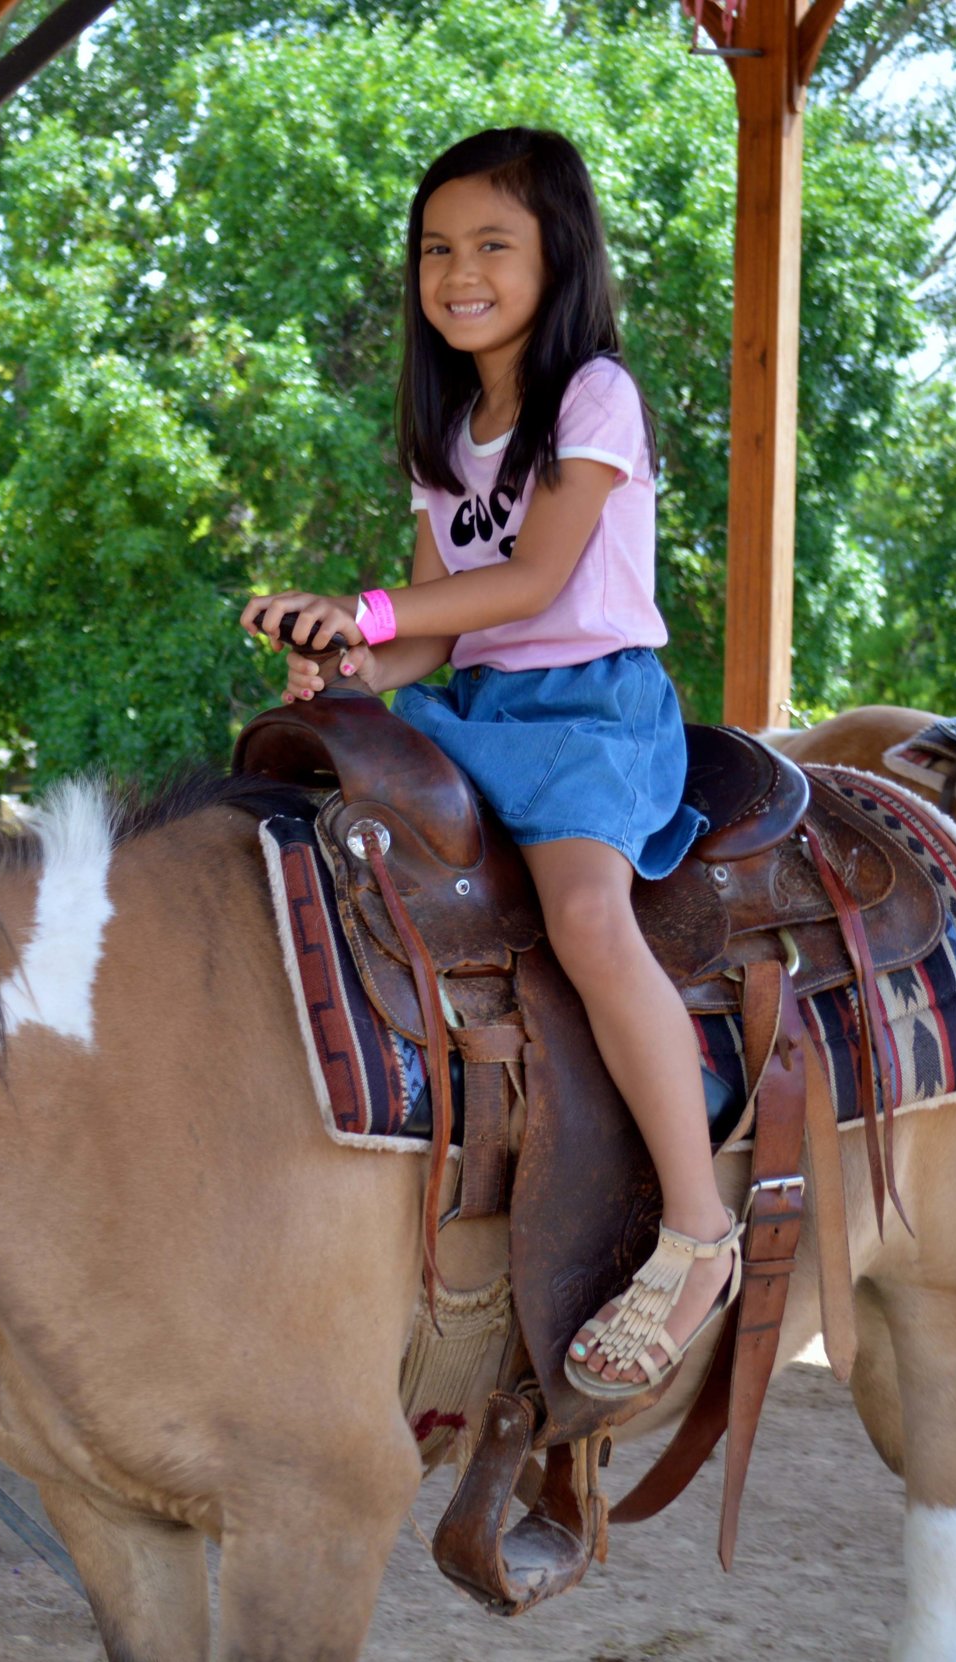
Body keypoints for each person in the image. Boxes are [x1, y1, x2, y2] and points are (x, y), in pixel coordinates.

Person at [241, 128, 732, 1399]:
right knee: (321, 846)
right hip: (484, 701)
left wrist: (376, 614)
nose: (458, 271)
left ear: (555, 255)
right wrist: (347, 662)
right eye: (435, 249)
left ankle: (696, 1230)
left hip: (594, 714)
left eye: (491, 246)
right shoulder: (450, 426)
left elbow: (536, 580)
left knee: (582, 912)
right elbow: (434, 623)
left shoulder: (593, 395)